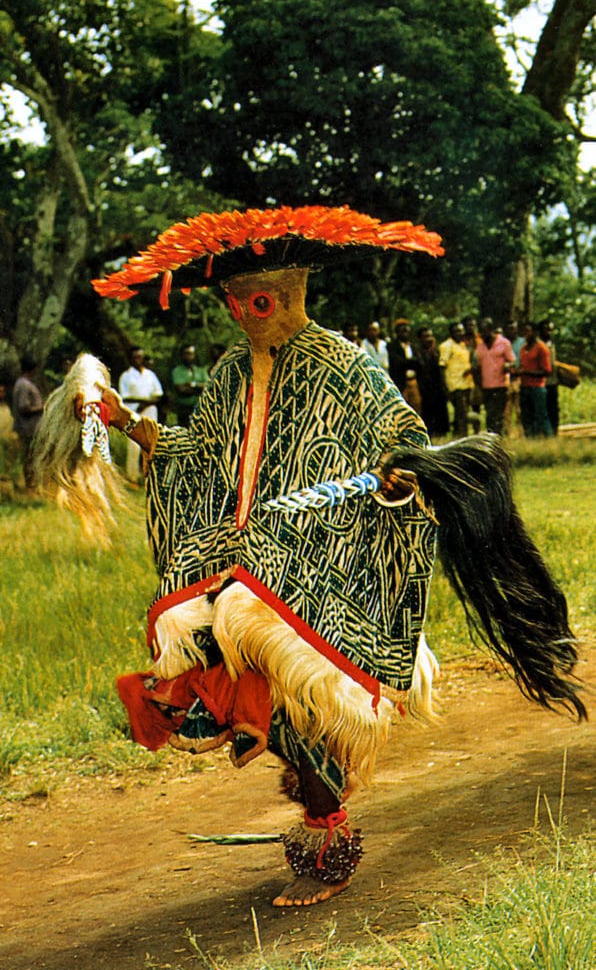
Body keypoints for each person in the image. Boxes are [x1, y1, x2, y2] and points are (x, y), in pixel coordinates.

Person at [40, 205, 584, 910]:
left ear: (290, 295)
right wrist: (125, 424)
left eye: (256, 302)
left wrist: (402, 472)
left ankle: (326, 829)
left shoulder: (345, 365)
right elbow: (201, 450)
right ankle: (269, 754)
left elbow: (403, 432)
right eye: (234, 304)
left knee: (258, 633)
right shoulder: (234, 369)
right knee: (188, 624)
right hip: (241, 550)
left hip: (332, 558)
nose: (244, 317)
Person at [118, 347, 163, 483]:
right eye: (135, 357)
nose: (139, 360)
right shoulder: (126, 376)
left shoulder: (150, 375)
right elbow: (125, 397)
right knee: (133, 445)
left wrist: (147, 403)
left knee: (151, 442)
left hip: (149, 410)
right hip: (133, 411)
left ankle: (151, 476)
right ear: (131, 359)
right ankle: (132, 476)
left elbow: (158, 394)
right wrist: (142, 402)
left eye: (141, 357)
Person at [474, 319, 515, 435]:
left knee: (499, 413)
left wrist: (507, 365)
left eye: (484, 331)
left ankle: (499, 437)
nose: (482, 334)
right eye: (481, 331)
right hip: (486, 385)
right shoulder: (480, 346)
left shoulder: (504, 343)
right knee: (489, 413)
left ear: (491, 330)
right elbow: (478, 364)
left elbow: (512, 361)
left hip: (501, 384)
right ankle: (491, 437)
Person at [12, 355, 44, 490]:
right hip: (28, 427)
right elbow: (23, 407)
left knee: (31, 457)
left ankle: (32, 485)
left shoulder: (22, 383)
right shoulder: (24, 385)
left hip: (29, 427)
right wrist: (41, 408)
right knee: (30, 457)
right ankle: (31, 486)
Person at [438, 322, 473, 438]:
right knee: (461, 416)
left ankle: (460, 437)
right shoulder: (446, 345)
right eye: (457, 331)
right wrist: (445, 387)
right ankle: (462, 439)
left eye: (461, 330)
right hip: (455, 385)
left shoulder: (463, 345)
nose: (460, 333)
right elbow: (442, 367)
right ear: (451, 332)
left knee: (462, 415)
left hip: (466, 384)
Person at [519, 322, 553, 437]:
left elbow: (547, 371)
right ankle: (530, 440)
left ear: (534, 333)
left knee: (541, 416)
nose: (525, 335)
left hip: (537, 387)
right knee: (526, 417)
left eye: (528, 332)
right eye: (524, 332)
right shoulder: (523, 348)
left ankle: (549, 439)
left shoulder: (541, 348)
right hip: (524, 386)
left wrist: (526, 372)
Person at [415, 327, 450, 439]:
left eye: (430, 336)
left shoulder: (438, 352)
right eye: (426, 336)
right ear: (420, 339)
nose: (429, 339)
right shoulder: (417, 353)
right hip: (425, 390)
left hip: (438, 389)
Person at [388, 319, 422, 413]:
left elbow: (418, 363)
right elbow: (398, 363)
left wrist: (408, 363)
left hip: (414, 382)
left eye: (407, 331)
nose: (405, 334)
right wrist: (410, 362)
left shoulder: (413, 346)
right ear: (397, 332)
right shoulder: (392, 346)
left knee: (416, 408)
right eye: (402, 331)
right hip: (401, 383)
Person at [170, 344, 210, 427]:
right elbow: (182, 390)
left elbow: (208, 386)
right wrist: (199, 389)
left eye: (191, 353)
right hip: (184, 408)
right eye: (186, 353)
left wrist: (192, 385)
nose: (189, 356)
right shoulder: (177, 371)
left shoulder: (201, 371)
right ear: (182, 355)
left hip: (201, 407)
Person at [503, 319, 524, 438]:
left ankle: (521, 433)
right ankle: (507, 434)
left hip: (520, 378)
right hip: (505, 378)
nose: (512, 331)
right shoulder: (502, 343)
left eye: (514, 328)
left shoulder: (523, 342)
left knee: (520, 409)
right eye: (509, 329)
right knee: (507, 409)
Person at [538, 320, 559, 436]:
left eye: (551, 330)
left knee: (553, 408)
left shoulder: (552, 344)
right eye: (547, 329)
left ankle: (554, 432)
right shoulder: (537, 345)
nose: (549, 332)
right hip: (540, 382)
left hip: (552, 381)